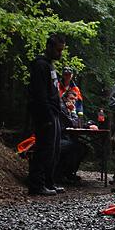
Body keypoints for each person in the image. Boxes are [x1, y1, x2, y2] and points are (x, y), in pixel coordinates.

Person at [27, 34, 66, 196]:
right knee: (44, 149)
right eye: (58, 50)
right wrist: (46, 115)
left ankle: (49, 182)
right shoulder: (40, 65)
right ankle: (36, 184)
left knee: (54, 150)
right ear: (49, 47)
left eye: (62, 50)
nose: (60, 53)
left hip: (54, 113)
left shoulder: (50, 66)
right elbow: (40, 94)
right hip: (45, 114)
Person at [57, 90, 89, 184]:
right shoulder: (62, 107)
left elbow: (76, 123)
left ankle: (69, 173)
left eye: (75, 99)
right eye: (71, 99)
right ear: (64, 98)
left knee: (83, 148)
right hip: (58, 138)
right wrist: (74, 111)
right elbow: (73, 123)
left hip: (65, 137)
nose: (73, 101)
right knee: (76, 147)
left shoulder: (67, 108)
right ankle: (62, 174)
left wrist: (88, 125)